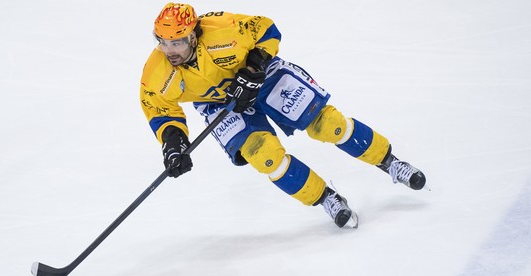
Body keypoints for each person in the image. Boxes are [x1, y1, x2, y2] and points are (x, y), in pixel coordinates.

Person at [140, 3, 427, 229]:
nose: (169, 50)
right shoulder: (157, 71)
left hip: (265, 78)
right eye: (162, 42)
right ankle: (327, 198)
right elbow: (159, 107)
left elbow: (266, 29)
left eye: (176, 42)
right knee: (264, 156)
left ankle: (389, 162)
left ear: (193, 35)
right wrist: (173, 143)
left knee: (329, 125)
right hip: (217, 102)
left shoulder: (224, 29)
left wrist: (253, 69)